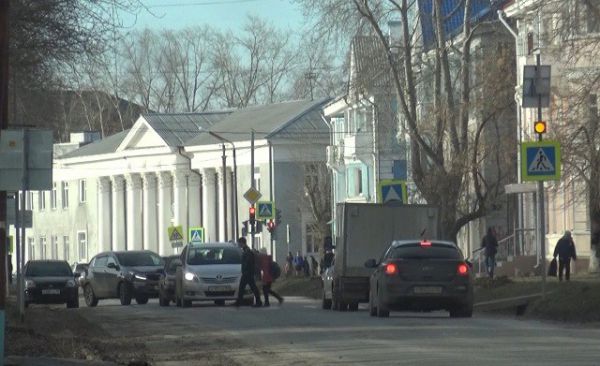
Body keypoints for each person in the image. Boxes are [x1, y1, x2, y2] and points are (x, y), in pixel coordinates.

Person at [235, 237, 262, 307]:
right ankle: (239, 302)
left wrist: (246, 271)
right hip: (247, 273)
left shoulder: (247, 251)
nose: (238, 245)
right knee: (247, 287)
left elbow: (248, 262)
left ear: (242, 243)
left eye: (239, 243)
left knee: (249, 287)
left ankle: (258, 302)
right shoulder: (246, 250)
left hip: (247, 273)